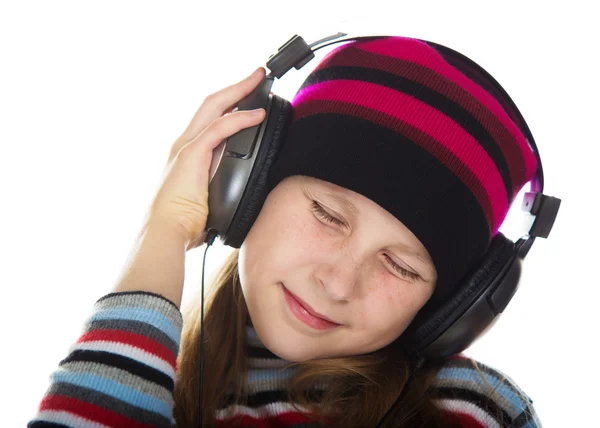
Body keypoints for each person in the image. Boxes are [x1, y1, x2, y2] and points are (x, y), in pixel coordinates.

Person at [28, 36, 543, 427]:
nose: (338, 283)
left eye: (401, 265)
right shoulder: (140, 371)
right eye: (327, 214)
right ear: (243, 189)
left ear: (452, 309)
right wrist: (164, 230)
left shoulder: (471, 410)